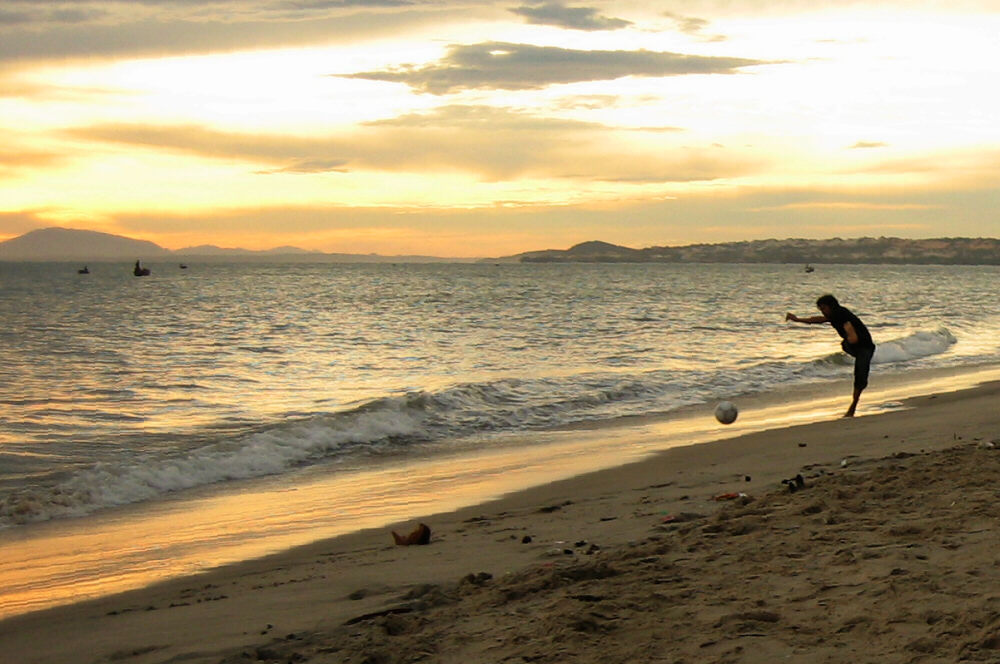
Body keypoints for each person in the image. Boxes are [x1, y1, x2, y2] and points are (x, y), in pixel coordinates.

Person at [786, 294, 875, 418]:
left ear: (831, 306)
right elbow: (818, 320)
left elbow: (849, 328)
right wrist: (798, 320)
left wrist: (851, 337)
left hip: (865, 348)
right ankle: (853, 406)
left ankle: (853, 407)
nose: (823, 312)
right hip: (853, 346)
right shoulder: (834, 315)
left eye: (824, 308)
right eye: (821, 309)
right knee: (845, 346)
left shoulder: (841, 314)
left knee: (860, 377)